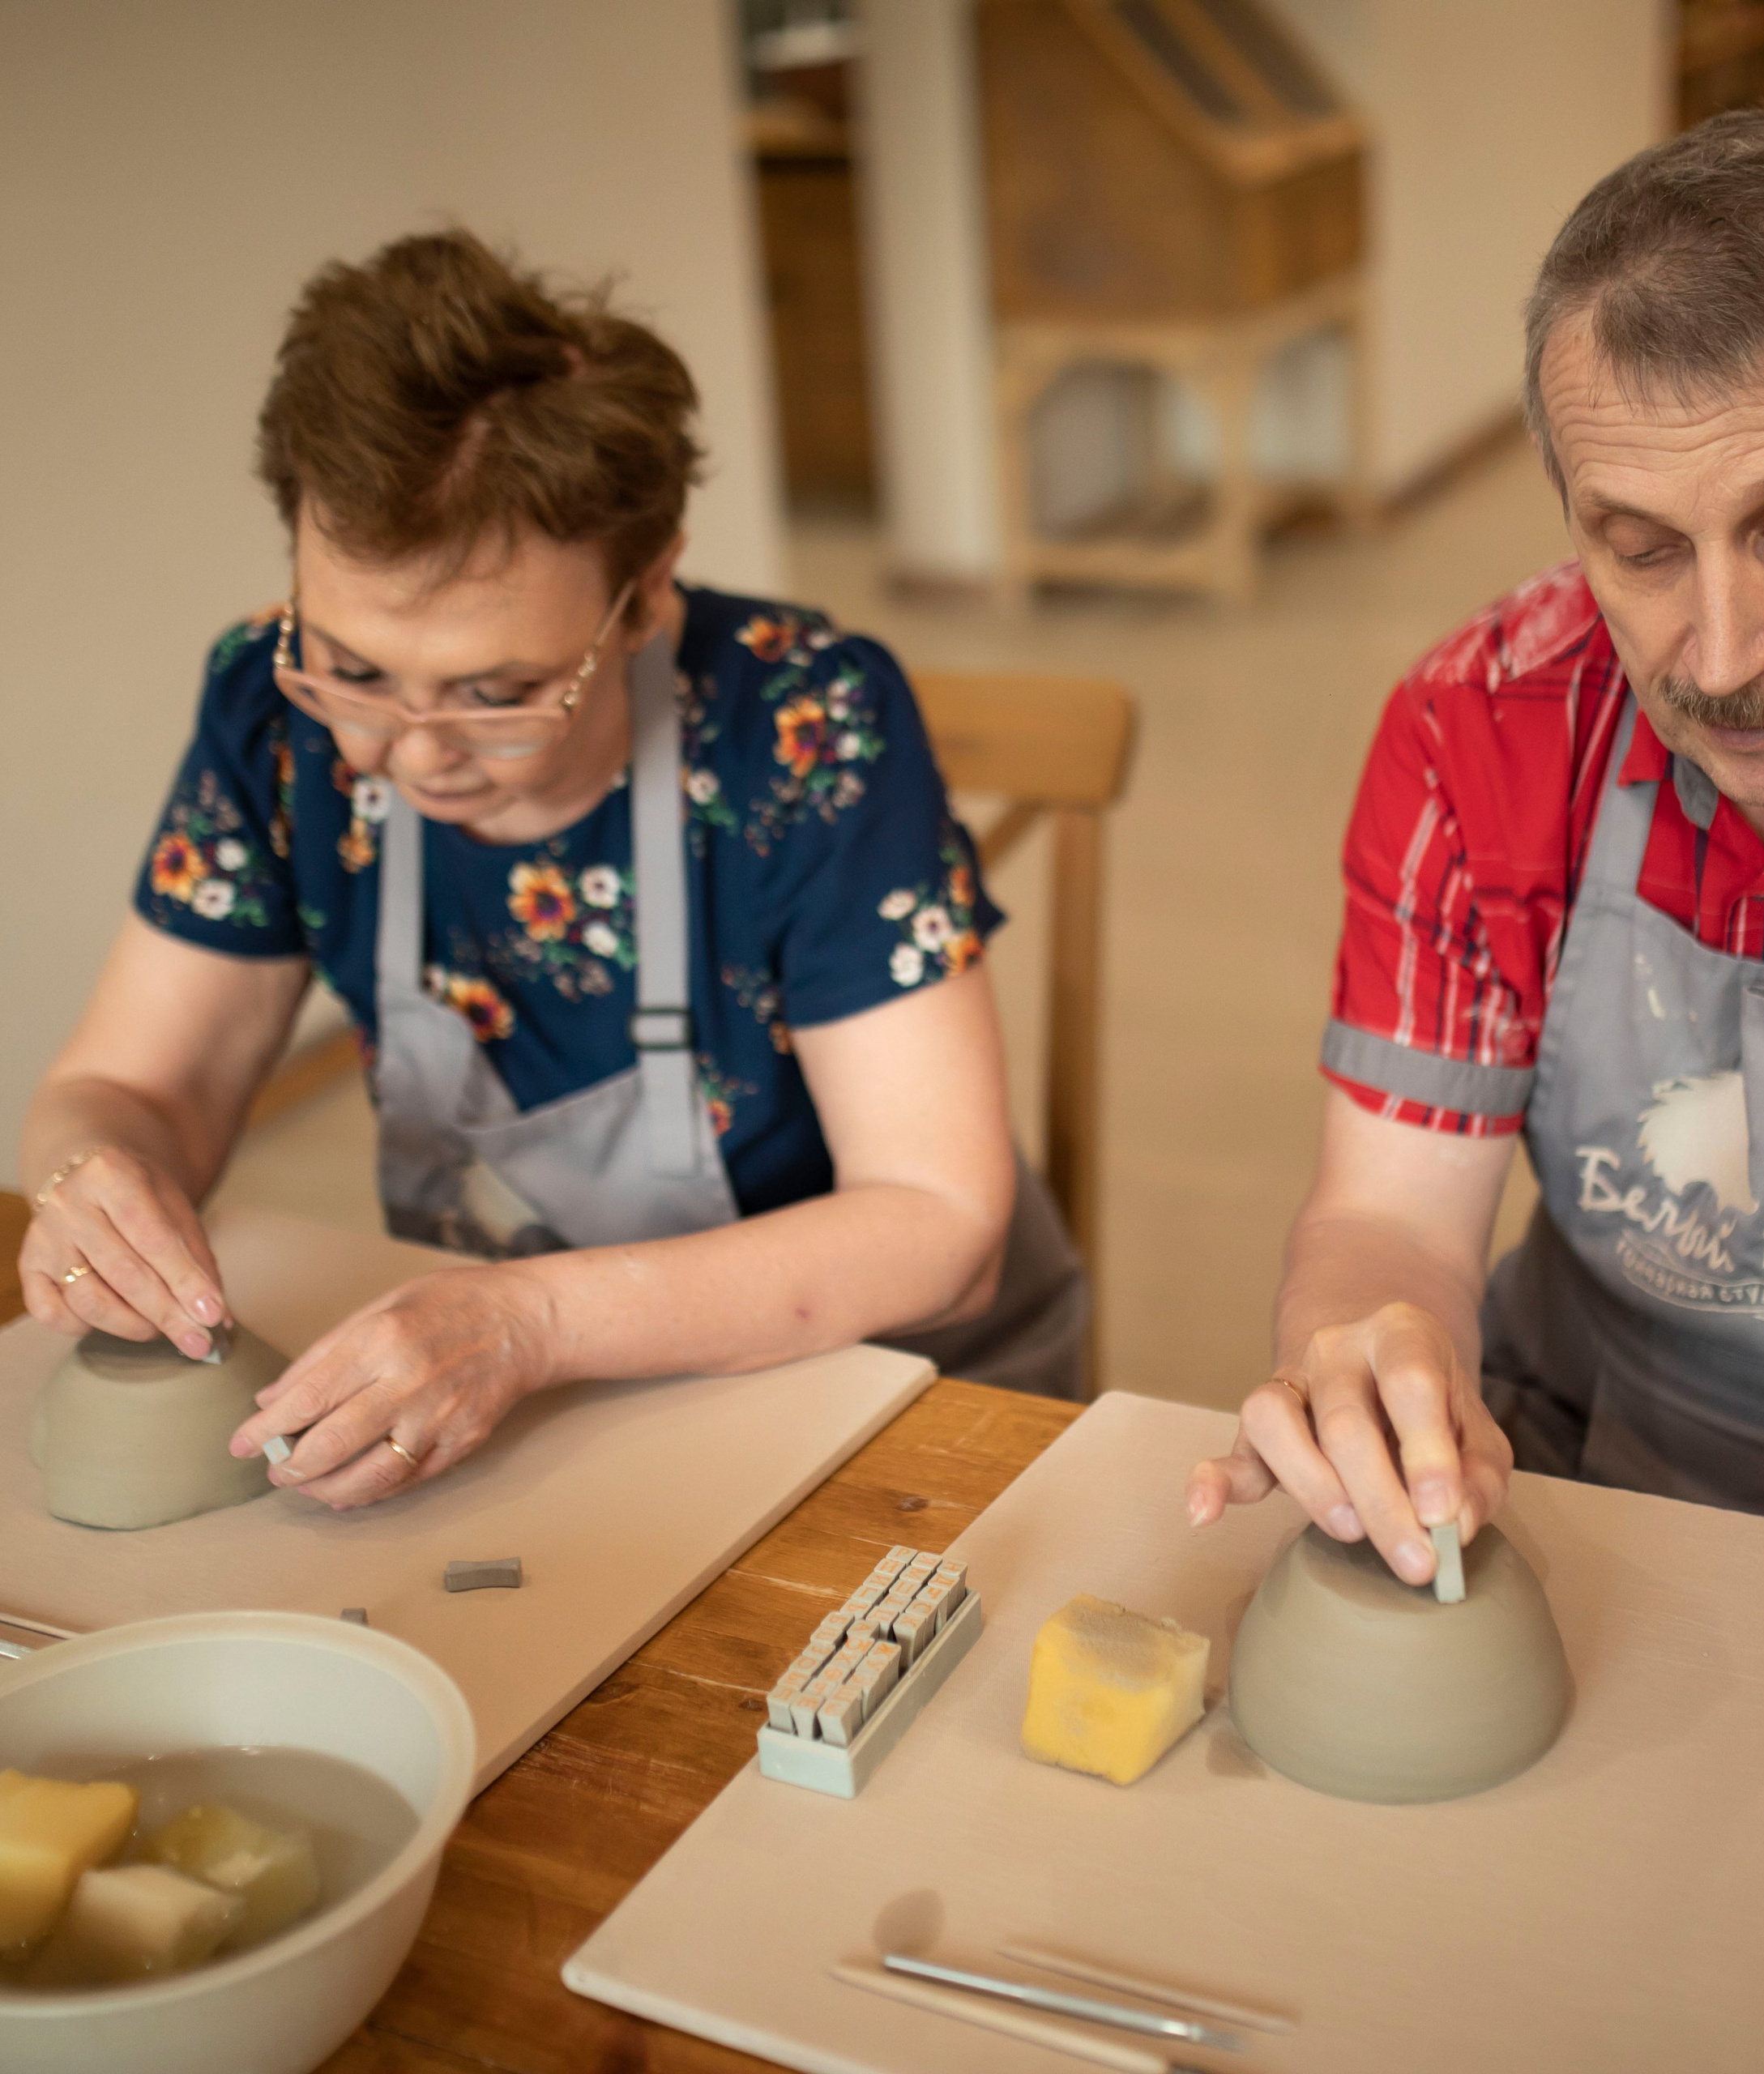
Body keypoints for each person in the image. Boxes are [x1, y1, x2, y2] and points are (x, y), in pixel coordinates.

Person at [17, 231, 1086, 1509]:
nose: (408, 753)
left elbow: (935, 1227)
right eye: (354, 668)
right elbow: (134, 1082)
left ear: (642, 598)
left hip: (875, 1380)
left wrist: (532, 1324)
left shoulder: (807, 729)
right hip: (531, 1400)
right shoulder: (270, 708)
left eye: (499, 691)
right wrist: (92, 1174)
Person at [1190, 108, 1764, 1577]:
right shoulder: (1481, 728)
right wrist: (1380, 1353)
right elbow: (1390, 1222)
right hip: (1573, 1447)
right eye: (1642, 548)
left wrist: (1755, 1673)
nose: (1718, 657)